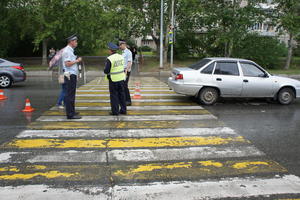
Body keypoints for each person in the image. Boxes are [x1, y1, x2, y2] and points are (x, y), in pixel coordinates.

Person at [62, 34, 82, 119]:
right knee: (70, 95)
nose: (76, 43)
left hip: (72, 74)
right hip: (69, 75)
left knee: (72, 94)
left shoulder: (70, 50)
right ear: (71, 42)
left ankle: (72, 111)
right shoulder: (67, 51)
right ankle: (70, 114)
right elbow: (67, 64)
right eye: (75, 41)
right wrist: (77, 60)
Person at [104, 42, 127, 116]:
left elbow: (106, 70)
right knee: (122, 95)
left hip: (113, 80)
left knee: (114, 96)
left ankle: (115, 111)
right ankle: (123, 110)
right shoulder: (121, 56)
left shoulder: (110, 58)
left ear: (110, 50)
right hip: (121, 78)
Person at [119, 40, 133, 106]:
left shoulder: (128, 52)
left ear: (124, 44)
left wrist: (126, 71)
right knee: (122, 86)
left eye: (120, 45)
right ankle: (124, 99)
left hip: (126, 71)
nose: (119, 46)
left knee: (125, 85)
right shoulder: (122, 52)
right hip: (122, 71)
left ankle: (128, 101)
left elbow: (129, 62)